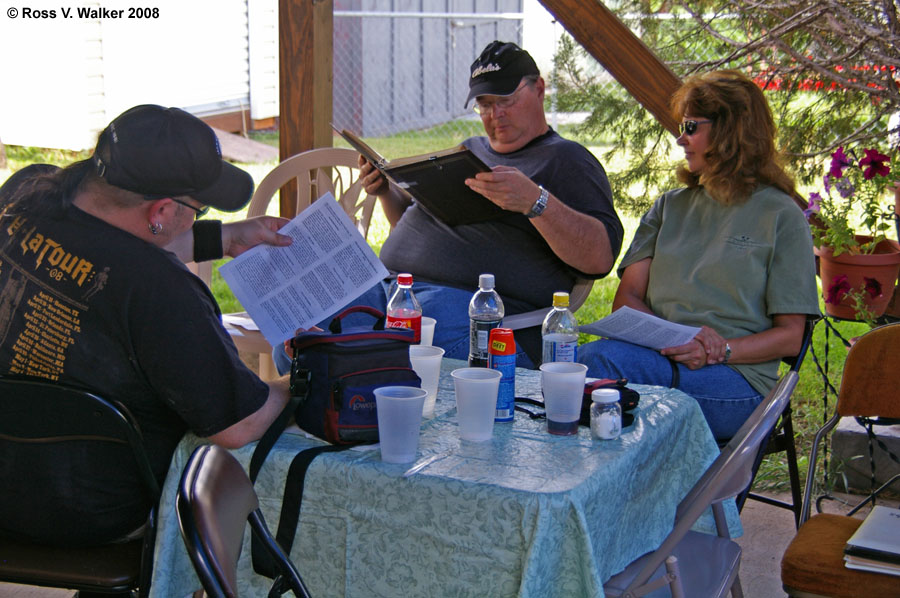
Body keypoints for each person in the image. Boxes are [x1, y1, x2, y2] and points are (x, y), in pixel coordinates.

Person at [0, 104, 294, 547]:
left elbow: (107, 249)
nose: (197, 216)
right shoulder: (159, 290)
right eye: (199, 208)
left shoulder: (25, 193)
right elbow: (238, 424)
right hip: (96, 511)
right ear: (160, 209)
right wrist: (301, 380)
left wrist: (226, 236)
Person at [276, 40, 623, 370]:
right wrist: (386, 192)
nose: (495, 114)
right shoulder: (468, 150)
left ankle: (358, 393)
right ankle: (340, 402)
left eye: (506, 99)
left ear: (539, 89)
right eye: (484, 104)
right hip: (393, 289)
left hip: (467, 308)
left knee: (381, 353)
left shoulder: (566, 160)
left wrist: (536, 202)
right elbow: (421, 228)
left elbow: (599, 257)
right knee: (296, 334)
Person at [576, 70, 820, 441]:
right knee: (577, 370)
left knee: (594, 367)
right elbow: (626, 300)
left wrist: (717, 350)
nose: (680, 139)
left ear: (729, 132)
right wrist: (679, 340)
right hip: (659, 359)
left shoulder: (780, 215)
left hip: (736, 381)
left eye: (691, 127)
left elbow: (790, 337)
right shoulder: (669, 207)